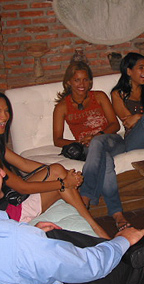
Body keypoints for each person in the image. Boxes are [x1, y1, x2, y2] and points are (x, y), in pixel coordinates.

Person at [0, 136, 144, 284]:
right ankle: (133, 248)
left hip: (16, 280)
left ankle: (125, 246)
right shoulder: (16, 239)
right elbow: (90, 266)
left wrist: (35, 234)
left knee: (55, 235)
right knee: (133, 266)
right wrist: (122, 240)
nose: (4, 175)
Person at [0, 90, 109, 239]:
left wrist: (64, 175)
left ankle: (92, 221)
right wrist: (62, 183)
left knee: (57, 170)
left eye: (6, 111)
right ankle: (96, 227)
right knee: (59, 176)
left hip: (11, 200)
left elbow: (23, 163)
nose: (5, 117)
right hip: (10, 212)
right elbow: (22, 187)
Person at [53, 61, 130, 231]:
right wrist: (80, 143)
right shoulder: (62, 107)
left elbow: (114, 125)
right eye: (77, 80)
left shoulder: (100, 96)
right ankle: (117, 214)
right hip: (88, 148)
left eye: (86, 80)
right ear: (69, 82)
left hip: (111, 140)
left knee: (98, 144)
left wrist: (97, 136)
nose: (82, 84)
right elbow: (57, 140)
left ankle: (85, 197)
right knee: (106, 161)